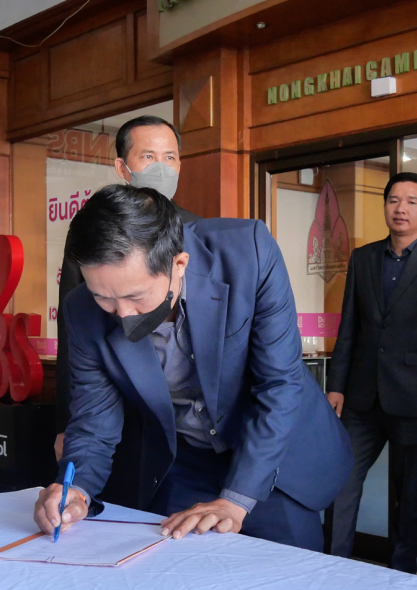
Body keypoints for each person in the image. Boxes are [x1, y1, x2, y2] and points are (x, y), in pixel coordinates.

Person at [33, 185, 352, 551]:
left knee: (288, 571)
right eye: (103, 298)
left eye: (135, 297)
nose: (122, 315)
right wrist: (75, 489)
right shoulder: (82, 310)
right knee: (166, 562)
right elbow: (94, 421)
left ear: (179, 264)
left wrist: (235, 500)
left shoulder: (249, 253)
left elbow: (279, 385)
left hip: (274, 455)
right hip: (186, 459)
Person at [54, 115, 201, 509]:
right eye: (148, 157)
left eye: (170, 157)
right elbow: (77, 335)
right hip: (118, 399)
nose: (161, 168)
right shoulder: (93, 235)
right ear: (122, 168)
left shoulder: (200, 233)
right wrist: (66, 423)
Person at [325, 172, 417, 574]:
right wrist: (336, 386)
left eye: (410, 201)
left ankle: (402, 571)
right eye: (393, 200)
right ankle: (331, 562)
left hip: (415, 400)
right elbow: (350, 326)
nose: (400, 208)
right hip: (361, 397)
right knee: (340, 480)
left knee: (409, 493)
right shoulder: (364, 258)